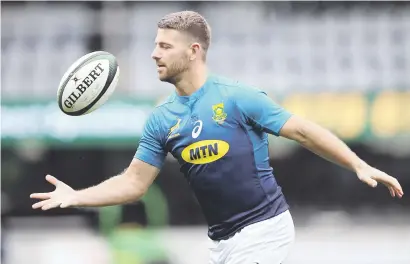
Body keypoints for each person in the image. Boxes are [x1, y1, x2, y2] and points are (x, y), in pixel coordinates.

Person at [31, 11, 404, 264]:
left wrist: (357, 163)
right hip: (220, 242)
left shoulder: (238, 97)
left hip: (264, 229)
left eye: (164, 46)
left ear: (194, 51)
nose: (153, 54)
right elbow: (134, 183)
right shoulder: (161, 120)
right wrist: (75, 196)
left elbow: (304, 131)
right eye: (155, 45)